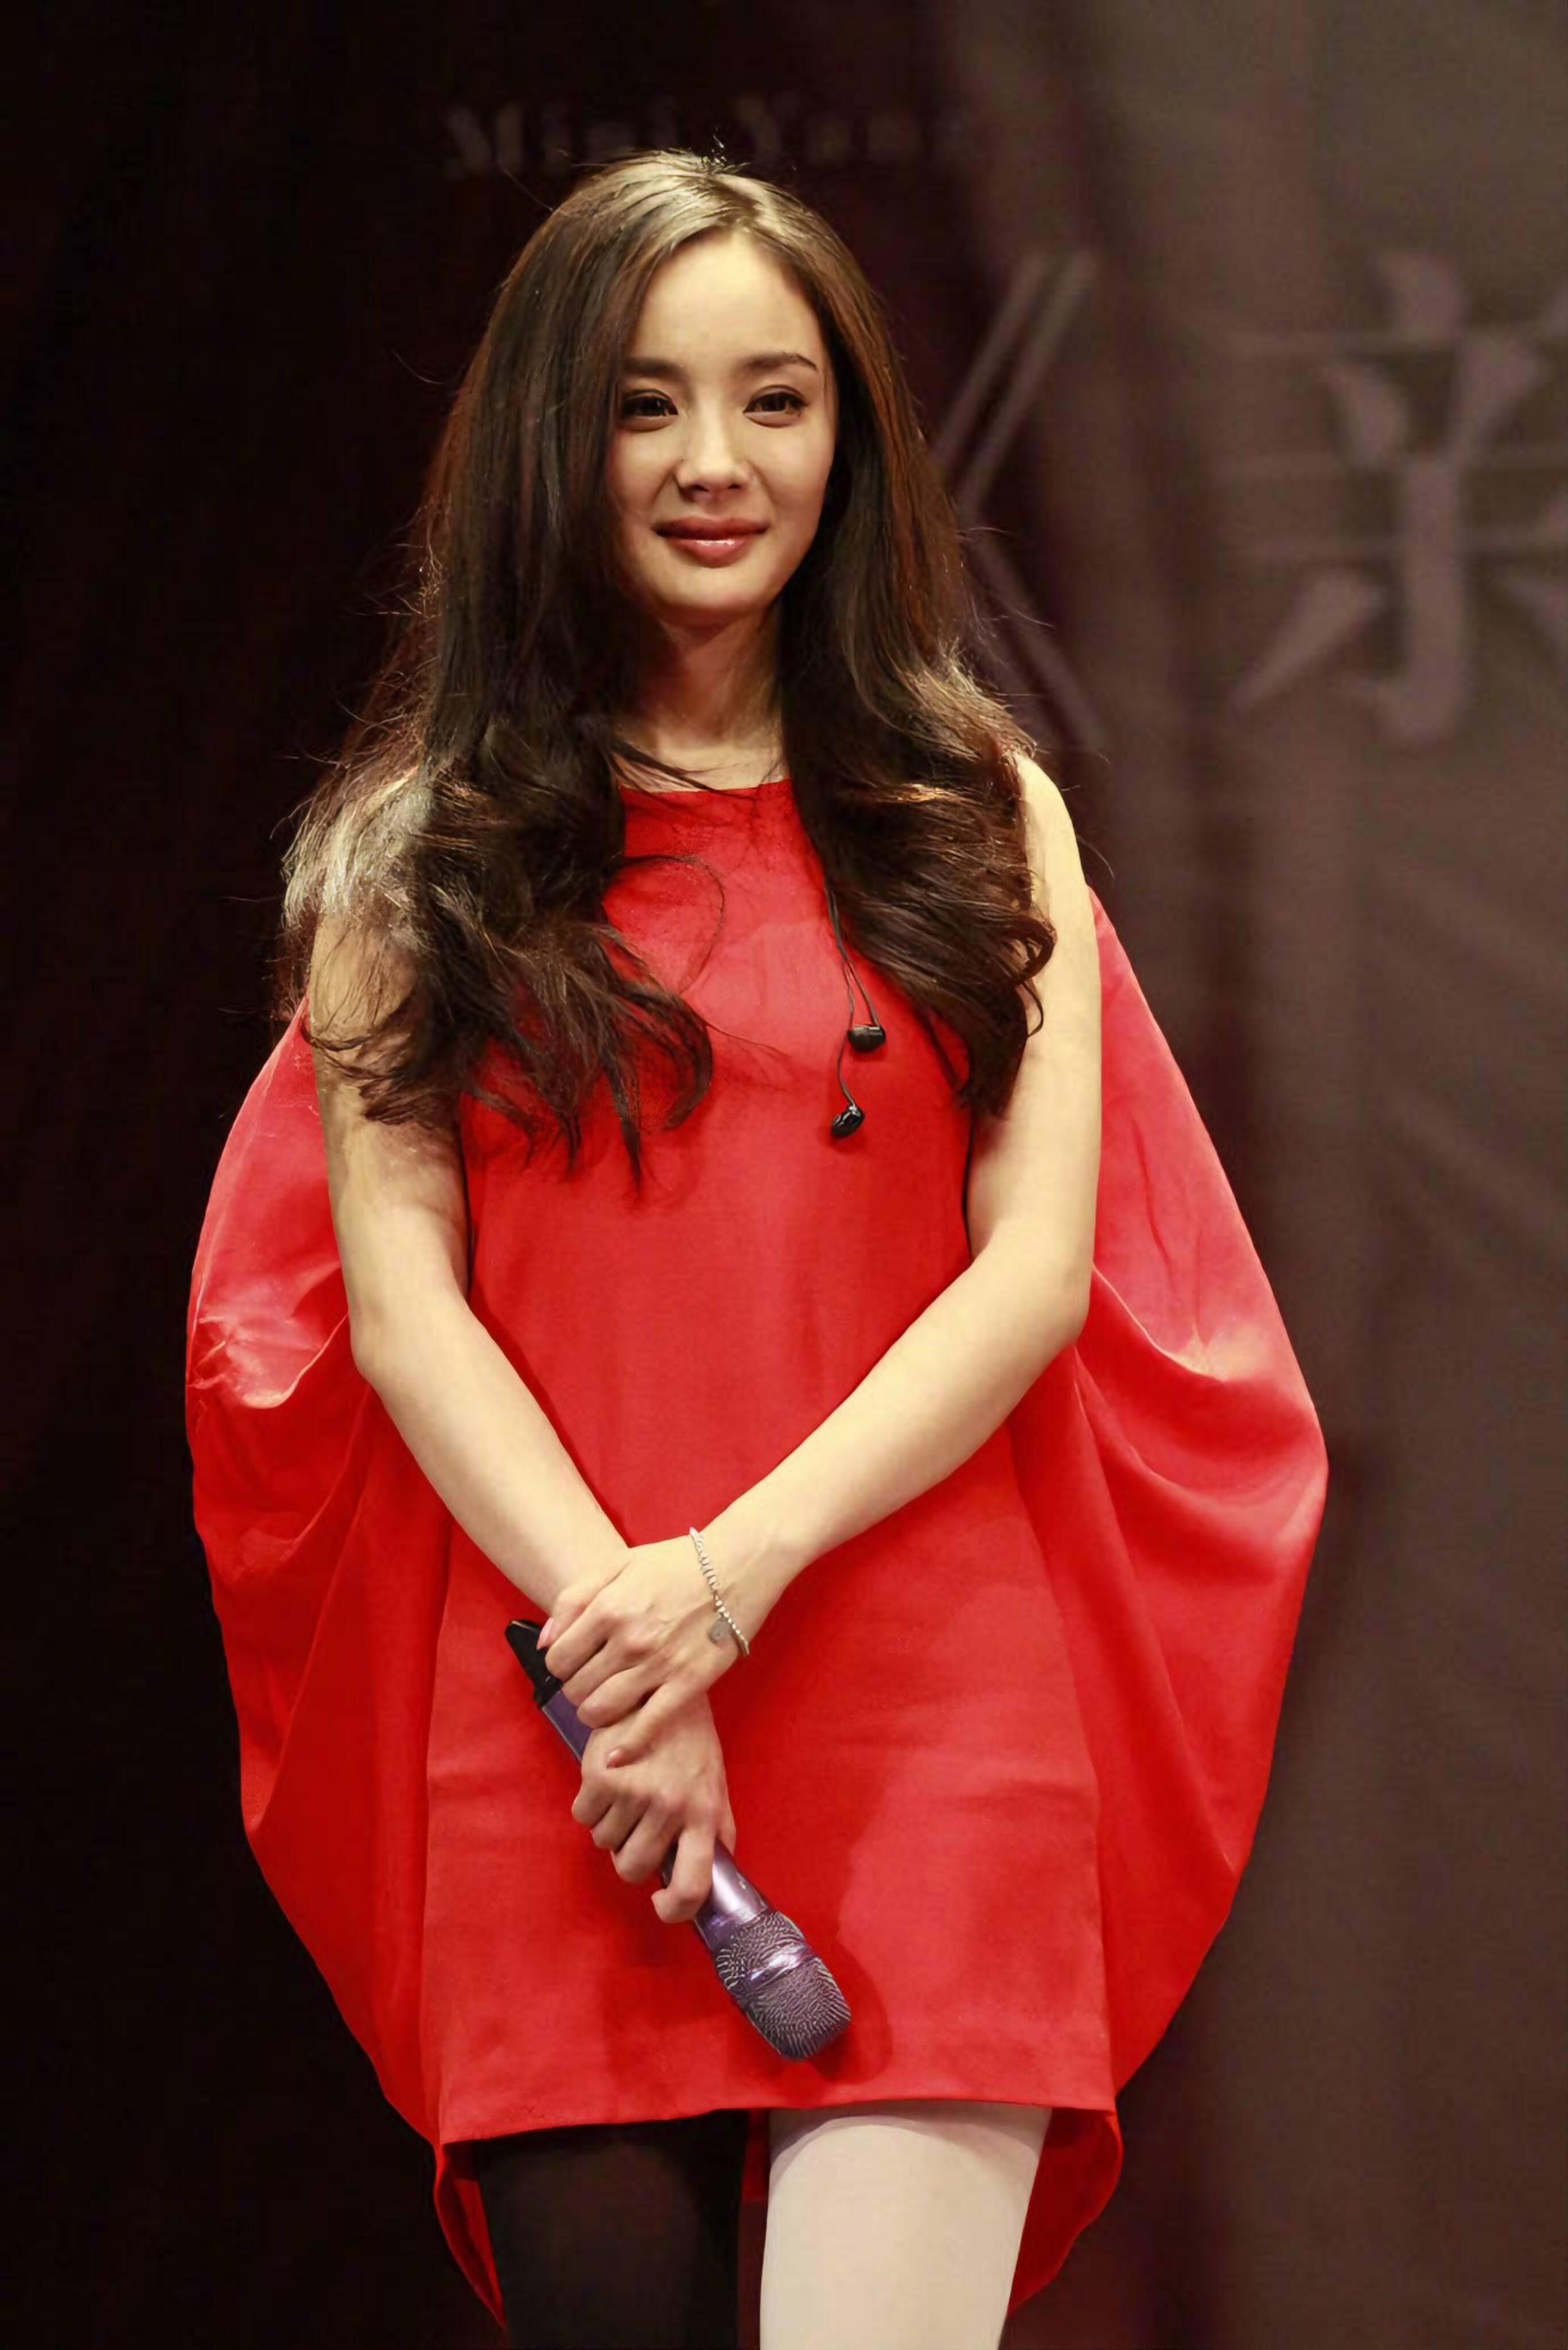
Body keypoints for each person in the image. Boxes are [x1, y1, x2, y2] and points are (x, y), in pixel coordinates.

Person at [186, 150, 1328, 2350]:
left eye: (776, 400)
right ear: (554, 438)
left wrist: (726, 1582)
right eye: (647, 403)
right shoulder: (416, 857)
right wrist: (629, 1653)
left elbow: (1034, 1271)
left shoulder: (977, 806)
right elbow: (401, 1313)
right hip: (564, 1719)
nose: (718, 461)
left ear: (850, 441)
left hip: (924, 1699)